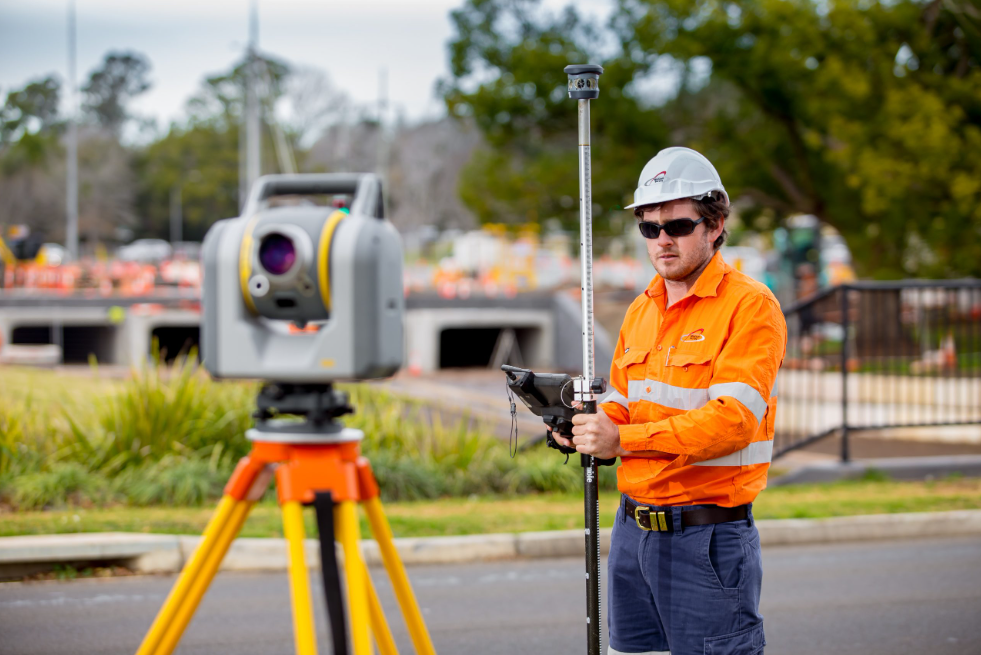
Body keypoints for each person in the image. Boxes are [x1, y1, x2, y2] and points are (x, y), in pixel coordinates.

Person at [551, 147, 787, 655]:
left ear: (716, 224)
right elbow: (622, 401)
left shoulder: (750, 306)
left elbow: (733, 422)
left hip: (706, 539)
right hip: (632, 533)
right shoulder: (642, 308)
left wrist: (623, 439)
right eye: (649, 228)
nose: (662, 240)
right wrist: (585, 425)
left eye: (678, 225)